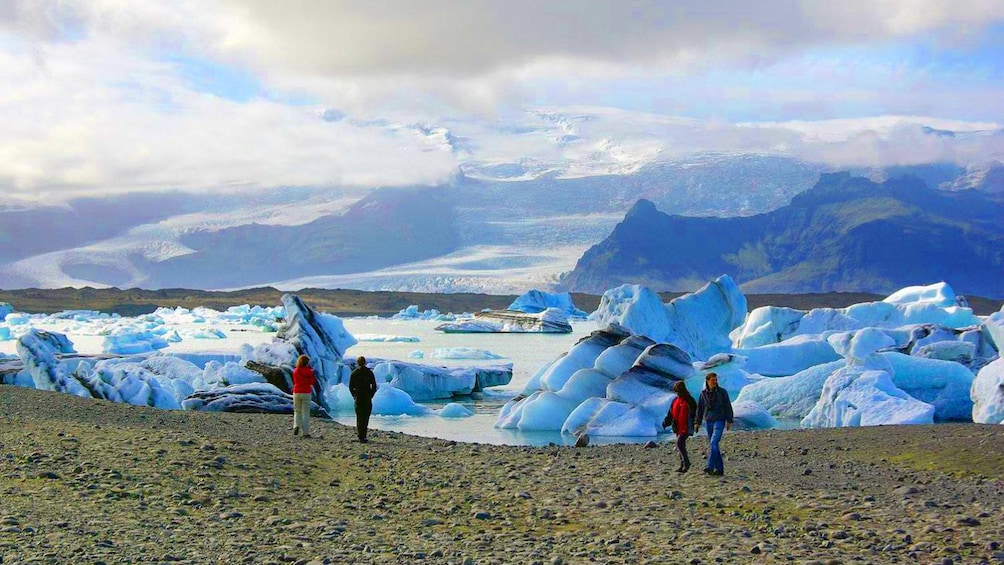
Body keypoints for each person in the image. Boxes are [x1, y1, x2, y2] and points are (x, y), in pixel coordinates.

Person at [693, 372, 734, 476]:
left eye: (716, 380)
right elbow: (700, 409)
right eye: (713, 380)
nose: (715, 382)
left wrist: (729, 420)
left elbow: (728, 406)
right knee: (713, 445)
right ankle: (719, 470)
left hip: (719, 420)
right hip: (708, 422)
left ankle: (710, 466)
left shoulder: (722, 392)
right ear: (707, 381)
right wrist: (697, 422)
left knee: (713, 443)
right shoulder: (703, 394)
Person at [663, 380, 697, 473]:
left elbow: (695, 412)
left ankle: (686, 463)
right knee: (680, 445)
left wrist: (696, 423)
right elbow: (671, 413)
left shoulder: (689, 400)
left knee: (679, 443)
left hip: (686, 425)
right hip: (678, 426)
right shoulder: (676, 400)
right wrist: (666, 422)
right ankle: (682, 465)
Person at [349, 356, 378, 443]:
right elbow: (374, 385)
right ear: (365, 363)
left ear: (357, 363)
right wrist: (371, 395)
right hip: (367, 397)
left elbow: (351, 386)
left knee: (359, 417)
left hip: (358, 397)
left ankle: (360, 436)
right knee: (366, 417)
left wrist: (354, 395)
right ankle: (364, 435)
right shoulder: (369, 372)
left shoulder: (354, 373)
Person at [291, 354, 315, 438]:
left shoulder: (296, 370)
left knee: (297, 411)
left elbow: (295, 381)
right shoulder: (310, 371)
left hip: (296, 391)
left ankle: (296, 426)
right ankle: (306, 433)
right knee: (305, 412)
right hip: (306, 392)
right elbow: (312, 382)